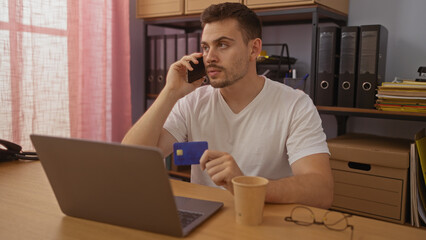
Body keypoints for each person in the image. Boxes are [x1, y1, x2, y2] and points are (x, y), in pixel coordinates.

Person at [122, 2, 333, 209]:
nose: (210, 58)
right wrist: (170, 93)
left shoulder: (295, 105)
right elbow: (131, 160)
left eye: (222, 45)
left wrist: (245, 185)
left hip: (260, 221)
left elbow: (321, 190)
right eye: (205, 47)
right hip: (204, 222)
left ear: (254, 49)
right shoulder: (193, 101)